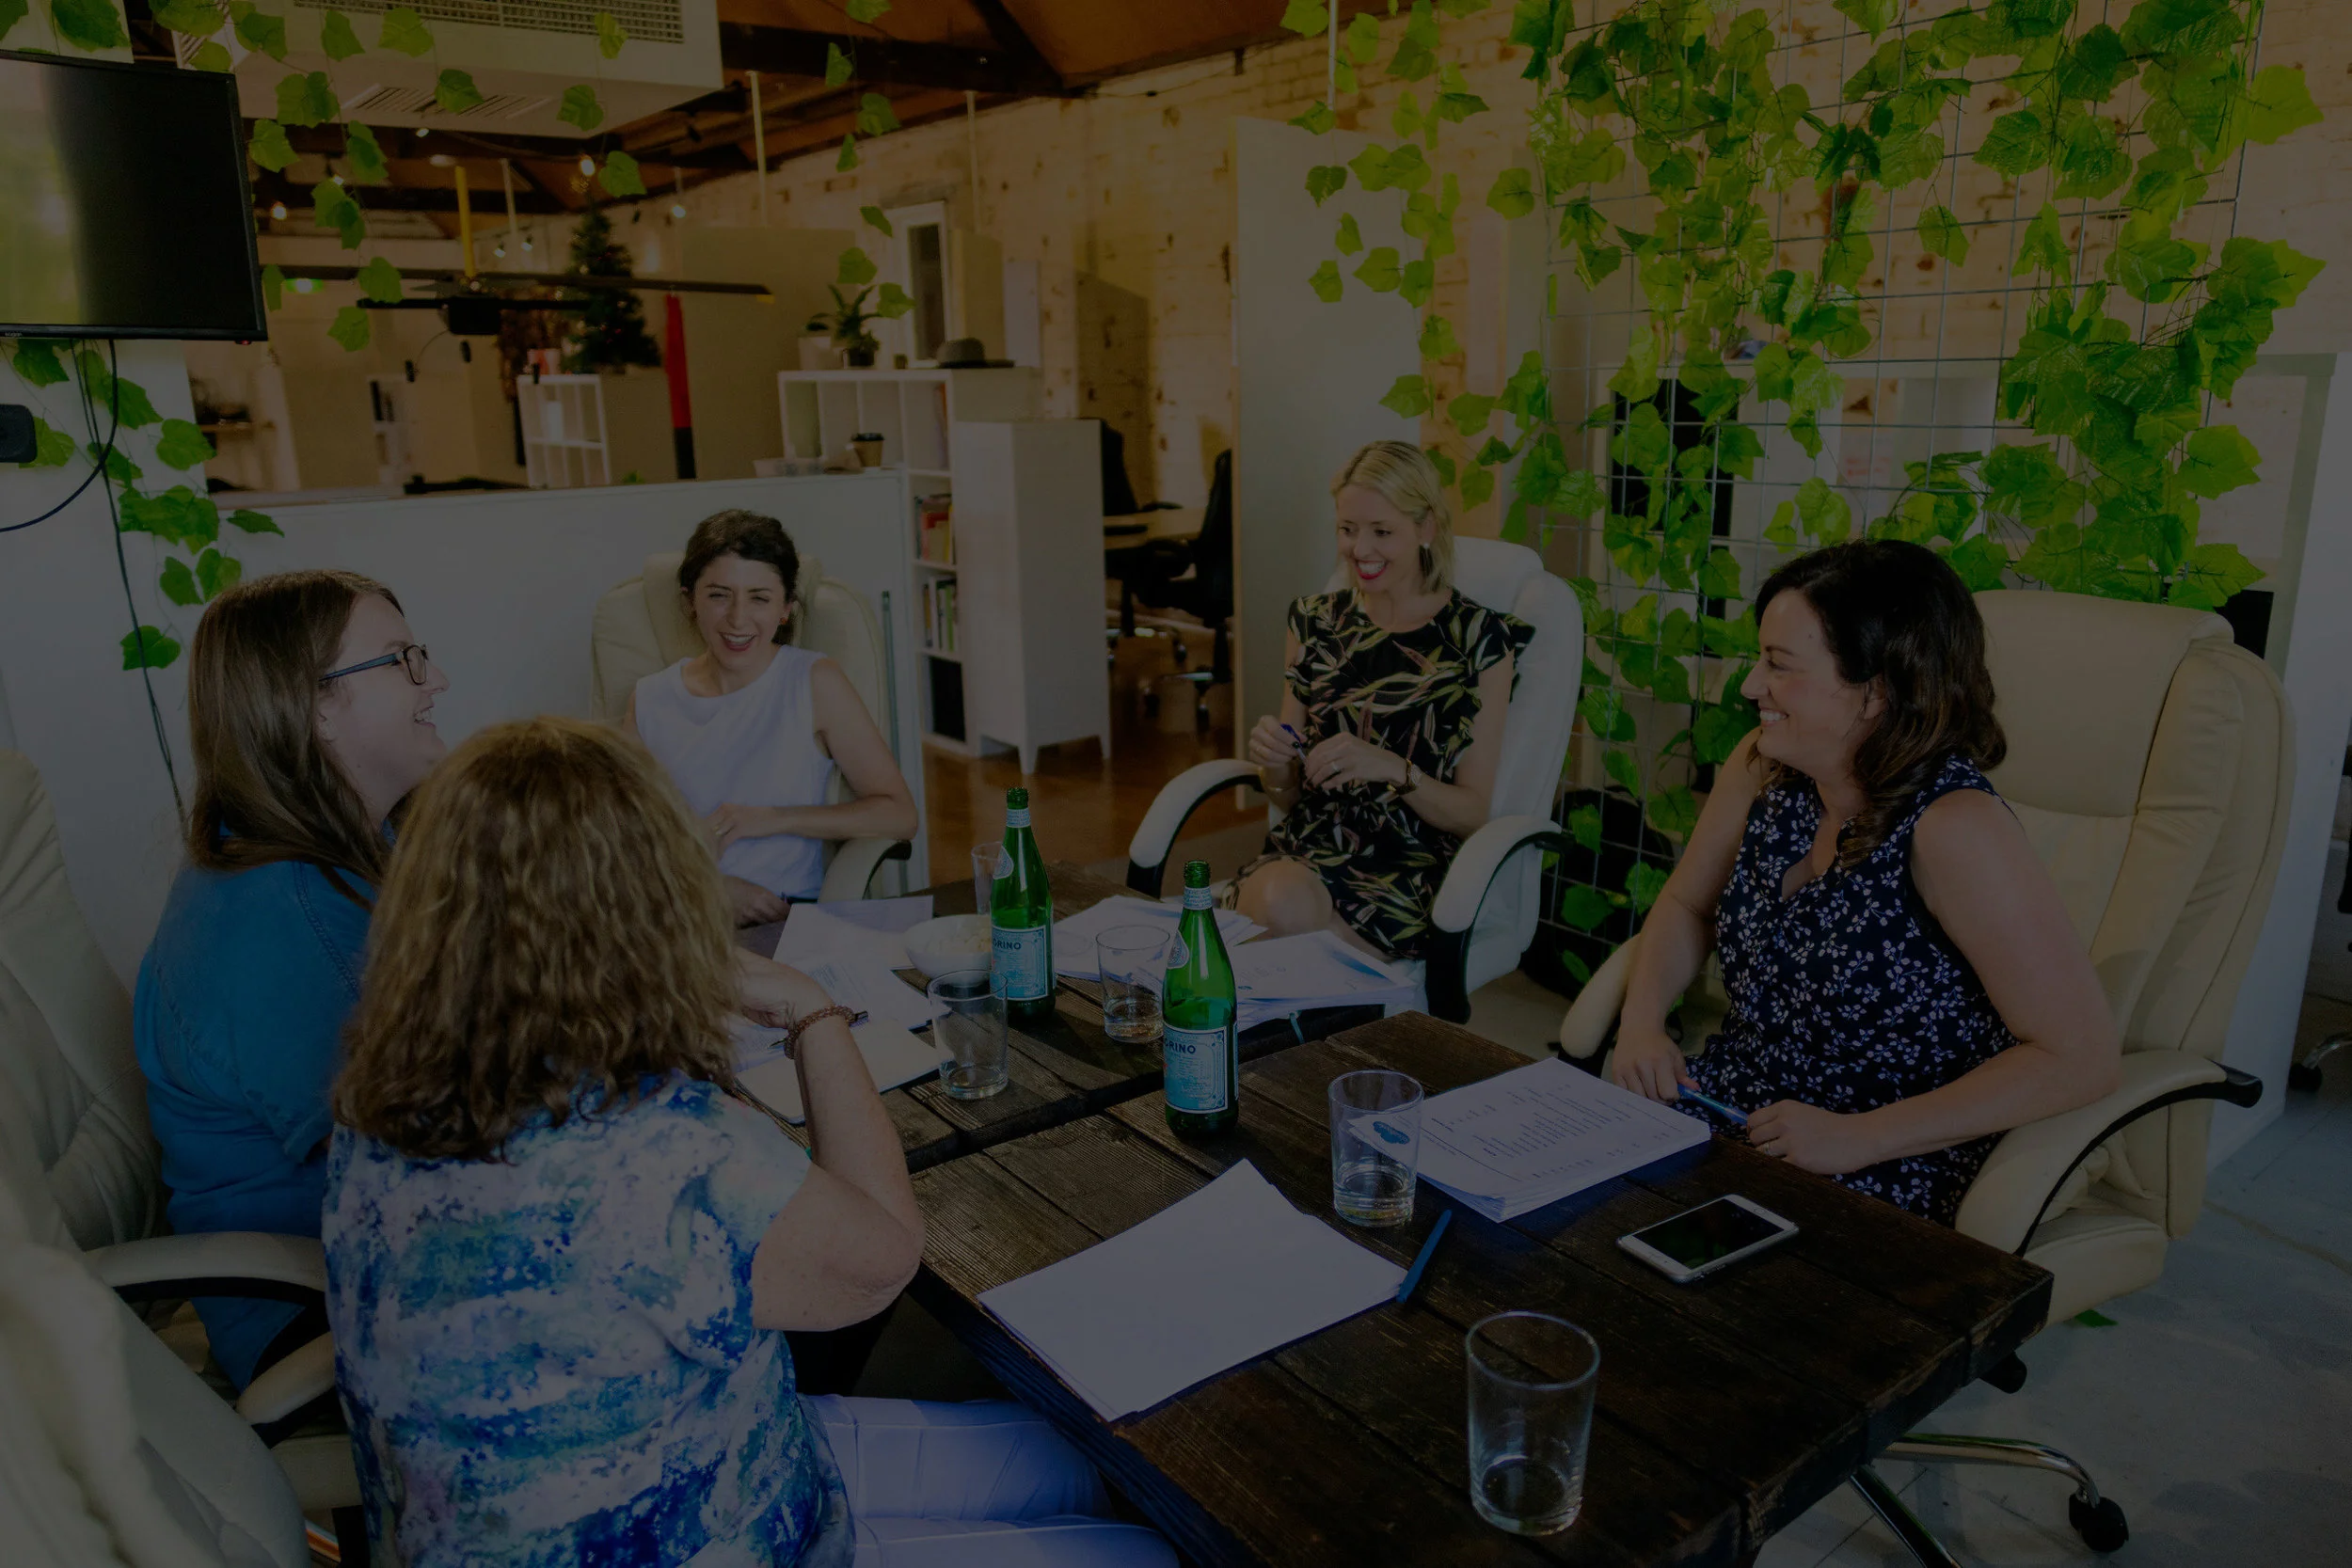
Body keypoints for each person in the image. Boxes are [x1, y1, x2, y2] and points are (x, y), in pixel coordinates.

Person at [324, 717, 1174, 1568]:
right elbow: (883, 1256)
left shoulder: (381, 1101)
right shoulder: (655, 1147)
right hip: (694, 1536)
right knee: (1141, 1549)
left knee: (1073, 1463)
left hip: (682, 1460)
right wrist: (811, 1010)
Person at [1608, 540, 2122, 1225]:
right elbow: (1686, 902)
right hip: (1732, 1106)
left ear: (1877, 690)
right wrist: (1642, 1024)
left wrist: (1861, 1137)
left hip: (1880, 1157)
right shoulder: (1764, 766)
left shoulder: (1954, 829)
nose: (1751, 686)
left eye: (1779, 665)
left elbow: (2081, 1057)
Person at [132, 569, 450, 1393]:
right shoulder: (284, 913)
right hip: (317, 1305)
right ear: (314, 704)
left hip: (382, 1246)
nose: (437, 680)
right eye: (403, 660)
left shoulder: (351, 846)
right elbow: (438, 1139)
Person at [1236, 439, 1529, 959]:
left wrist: (1391, 767)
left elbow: (1472, 813)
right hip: (1310, 849)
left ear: (1426, 528)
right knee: (1281, 907)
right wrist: (1275, 761)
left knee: (1279, 940)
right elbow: (1288, 797)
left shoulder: (1478, 639)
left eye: (1382, 531)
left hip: (1410, 865)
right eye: (1347, 529)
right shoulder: (1314, 621)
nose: (1360, 550)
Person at [628, 510, 918, 927]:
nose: (738, 618)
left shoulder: (814, 682)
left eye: (759, 598)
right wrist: (710, 890)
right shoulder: (649, 699)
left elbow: (899, 814)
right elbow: (623, 838)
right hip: (676, 917)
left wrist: (773, 819)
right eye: (719, 595)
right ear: (690, 601)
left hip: (779, 919)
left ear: (785, 608)